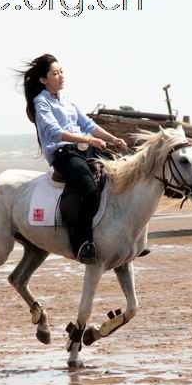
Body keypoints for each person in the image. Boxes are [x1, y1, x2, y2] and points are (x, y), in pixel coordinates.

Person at [20, 54, 127, 264]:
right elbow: (55, 132)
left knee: (121, 177)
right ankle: (83, 243)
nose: (61, 77)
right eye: (55, 73)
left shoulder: (68, 100)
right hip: (64, 153)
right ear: (43, 79)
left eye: (61, 72)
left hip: (85, 149)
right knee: (88, 189)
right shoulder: (41, 102)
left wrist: (113, 139)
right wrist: (90, 140)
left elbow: (88, 124)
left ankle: (123, 240)